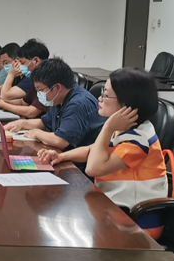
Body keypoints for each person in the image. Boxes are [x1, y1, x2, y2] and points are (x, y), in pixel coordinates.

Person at [37, 68, 166, 239]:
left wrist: (107, 127)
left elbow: (93, 168)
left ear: (126, 103)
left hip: (136, 222)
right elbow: (94, 149)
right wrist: (61, 156)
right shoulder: (124, 129)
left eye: (106, 95)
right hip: (113, 207)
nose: (100, 99)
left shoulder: (137, 140)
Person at [4, 57, 106, 150]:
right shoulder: (58, 98)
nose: (39, 94)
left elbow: (61, 141)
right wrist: (22, 123)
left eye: (40, 89)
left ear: (57, 87)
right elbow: (45, 123)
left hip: (82, 161)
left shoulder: (77, 103)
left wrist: (37, 133)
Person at [0, 39, 51, 119]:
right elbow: (23, 102)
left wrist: (4, 105)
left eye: (22, 63)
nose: (20, 66)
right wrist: (1, 101)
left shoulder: (47, 80)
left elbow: (32, 112)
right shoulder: (36, 79)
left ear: (35, 60)